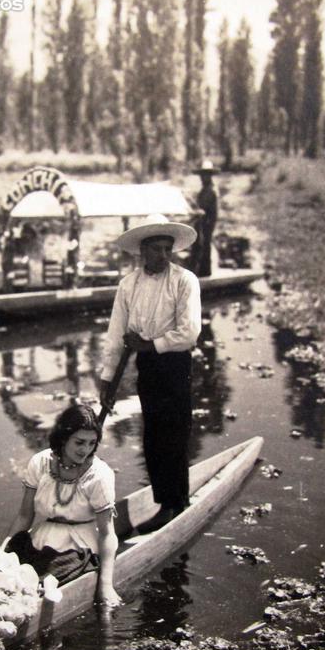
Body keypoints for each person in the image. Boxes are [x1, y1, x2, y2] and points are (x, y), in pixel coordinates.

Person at [99, 214, 201, 531]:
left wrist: (150, 345)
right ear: (142, 250)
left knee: (175, 431)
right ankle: (163, 501)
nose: (163, 255)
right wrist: (106, 378)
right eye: (156, 249)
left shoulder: (185, 281)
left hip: (175, 363)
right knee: (153, 435)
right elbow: (116, 334)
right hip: (148, 366)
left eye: (167, 249)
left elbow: (189, 333)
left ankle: (176, 503)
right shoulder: (129, 285)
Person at [5, 404, 121, 607]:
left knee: (40, 585)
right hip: (41, 537)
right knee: (8, 573)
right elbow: (25, 516)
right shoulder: (40, 463)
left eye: (92, 443)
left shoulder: (99, 475)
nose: (85, 450)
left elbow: (107, 533)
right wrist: (4, 550)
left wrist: (105, 584)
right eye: (79, 442)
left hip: (78, 545)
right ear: (63, 437)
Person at [191, 159, 219, 277]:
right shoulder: (204, 190)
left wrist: (199, 212)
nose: (203, 177)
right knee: (200, 245)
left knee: (204, 245)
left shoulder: (210, 191)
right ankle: (200, 271)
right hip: (202, 221)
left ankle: (205, 272)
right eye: (202, 175)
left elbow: (207, 209)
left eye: (206, 175)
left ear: (210, 176)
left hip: (207, 222)